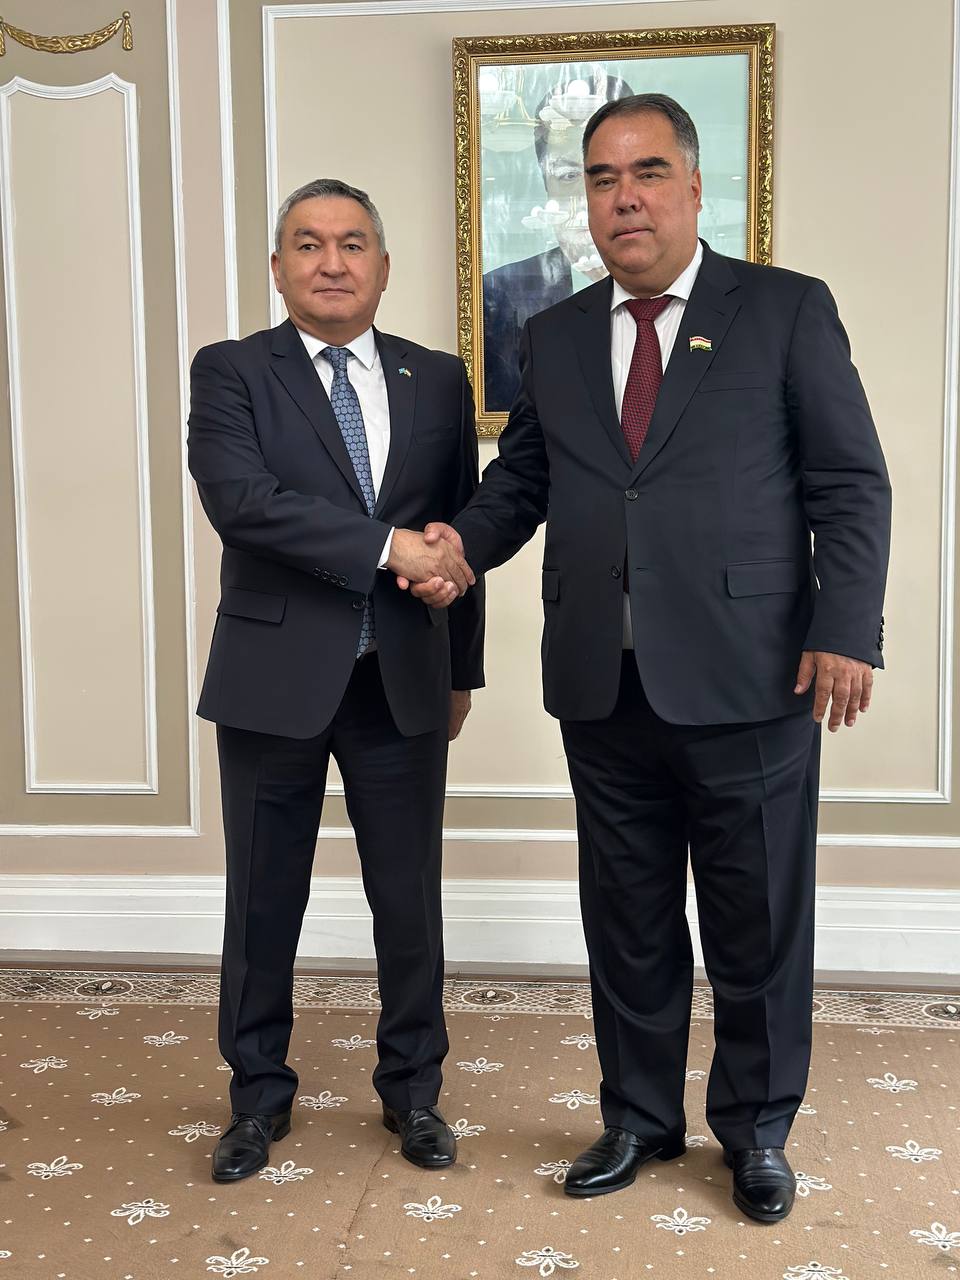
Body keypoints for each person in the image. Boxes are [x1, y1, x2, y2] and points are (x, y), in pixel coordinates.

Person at [407, 95, 891, 1222]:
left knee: (755, 922)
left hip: (752, 672)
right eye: (602, 178)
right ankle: (636, 1116)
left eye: (648, 172)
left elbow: (848, 480)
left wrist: (845, 628)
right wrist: (456, 550)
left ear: (694, 186)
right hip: (601, 679)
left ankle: (757, 1130)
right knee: (625, 916)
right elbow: (525, 480)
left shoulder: (785, 308)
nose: (624, 198)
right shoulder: (558, 333)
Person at [187, 178, 484, 1183]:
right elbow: (244, 502)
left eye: (353, 243)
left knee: (409, 899)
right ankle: (256, 1098)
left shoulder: (436, 378)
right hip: (273, 676)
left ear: (383, 267)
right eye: (308, 244)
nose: (331, 262)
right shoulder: (232, 370)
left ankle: (414, 1091)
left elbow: (458, 531)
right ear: (278, 268)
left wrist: (463, 670)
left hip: (403, 677)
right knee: (263, 899)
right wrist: (387, 543)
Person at [482, 73, 631, 413]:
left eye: (606, 179)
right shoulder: (497, 296)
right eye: (567, 176)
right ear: (546, 186)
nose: (587, 200)